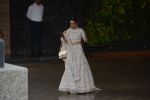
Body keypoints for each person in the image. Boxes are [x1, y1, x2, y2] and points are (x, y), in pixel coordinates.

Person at [58, 18, 101, 94]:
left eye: (73, 23)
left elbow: (85, 40)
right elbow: (66, 42)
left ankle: (84, 87)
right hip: (71, 51)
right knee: (70, 66)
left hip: (78, 50)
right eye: (70, 23)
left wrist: (80, 40)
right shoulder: (67, 31)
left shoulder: (80, 30)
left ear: (76, 23)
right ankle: (71, 87)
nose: (72, 25)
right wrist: (63, 37)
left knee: (81, 66)